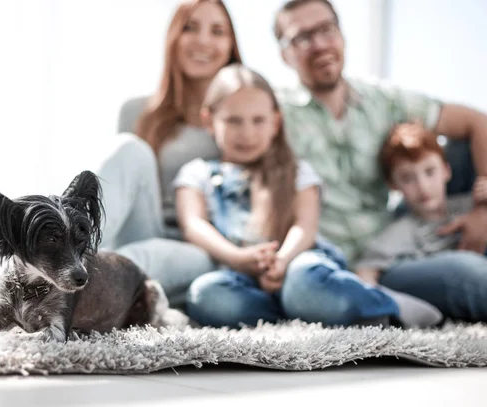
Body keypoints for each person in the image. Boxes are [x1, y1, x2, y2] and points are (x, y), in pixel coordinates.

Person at [0, 0, 243, 327]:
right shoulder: (138, 111)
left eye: (217, 31)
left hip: (199, 250)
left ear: (232, 43)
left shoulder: (246, 120)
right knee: (129, 148)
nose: (203, 40)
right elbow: (119, 194)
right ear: (174, 36)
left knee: (139, 256)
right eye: (191, 27)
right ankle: (58, 261)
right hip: (129, 236)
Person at [174, 64, 441, 329]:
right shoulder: (198, 173)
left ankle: (388, 305)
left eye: (258, 120)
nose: (247, 133)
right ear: (209, 120)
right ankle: (295, 316)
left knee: (305, 281)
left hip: (297, 261)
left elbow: (305, 226)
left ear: (276, 122)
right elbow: (194, 225)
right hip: (240, 277)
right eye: (234, 121)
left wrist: (281, 261)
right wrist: (237, 258)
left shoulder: (297, 170)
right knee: (206, 294)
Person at [272, 0, 487, 322]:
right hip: (325, 263)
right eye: (302, 37)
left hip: (396, 256)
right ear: (285, 55)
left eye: (326, 30)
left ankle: (378, 304)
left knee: (457, 152)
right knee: (305, 283)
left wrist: (483, 211)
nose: (319, 45)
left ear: (341, 35)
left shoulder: (382, 100)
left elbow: (476, 121)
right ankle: (385, 306)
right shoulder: (272, 115)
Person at [355, 123, 487, 321]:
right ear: (394, 185)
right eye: (408, 178)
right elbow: (366, 269)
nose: (423, 186)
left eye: (430, 172)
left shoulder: (471, 205)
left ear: (446, 170)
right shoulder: (401, 231)